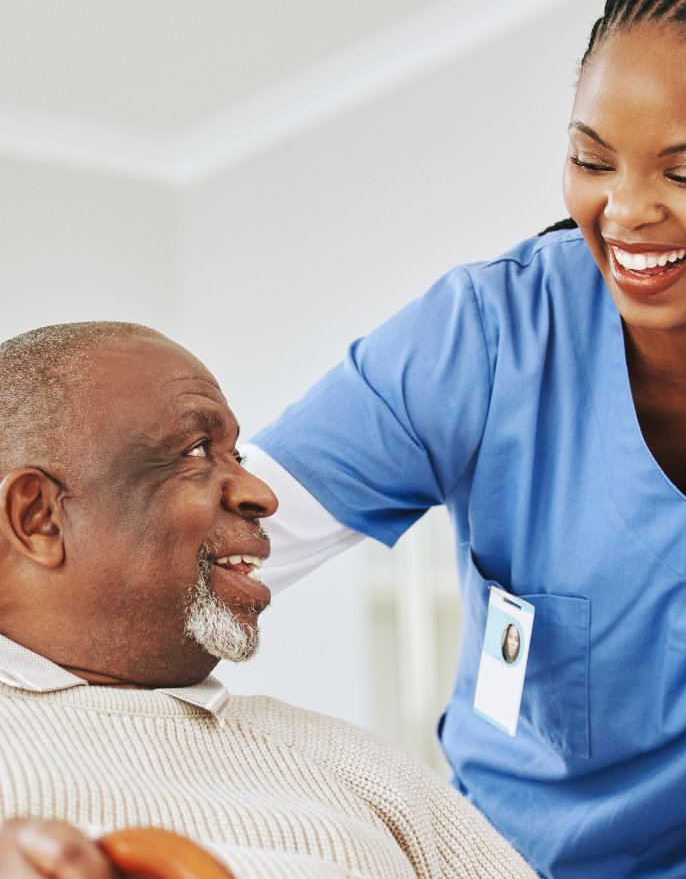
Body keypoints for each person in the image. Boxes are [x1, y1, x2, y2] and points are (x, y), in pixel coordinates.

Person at [242, 0, 686, 879]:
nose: (625, 213)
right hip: (489, 858)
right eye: (592, 160)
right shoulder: (486, 337)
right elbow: (216, 543)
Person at [0, 321, 534, 879]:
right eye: (199, 451)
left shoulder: (362, 768)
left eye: (240, 458)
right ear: (40, 517)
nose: (264, 495)